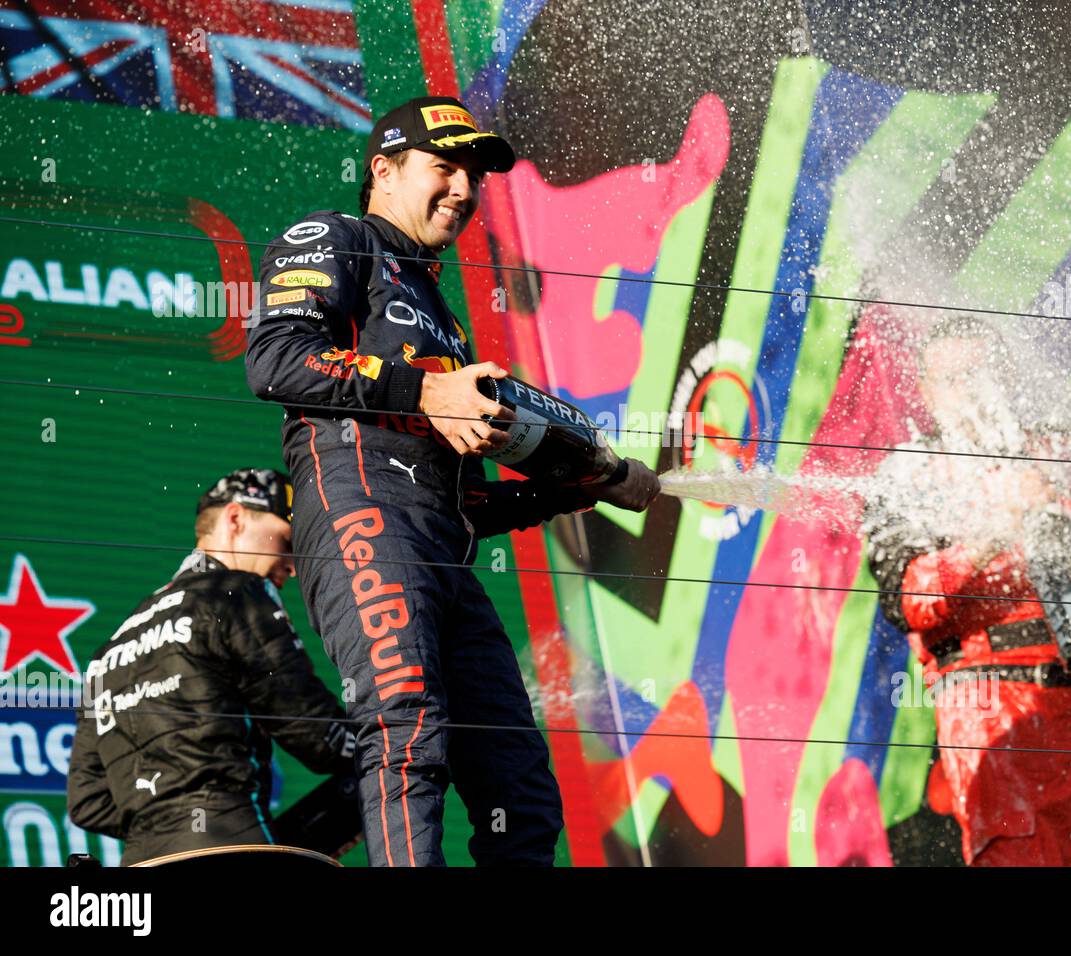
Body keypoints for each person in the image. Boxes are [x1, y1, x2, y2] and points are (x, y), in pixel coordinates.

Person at [244, 95, 659, 866]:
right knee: (407, 731)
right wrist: (428, 390)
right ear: (383, 169)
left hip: (444, 555)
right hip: (361, 518)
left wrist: (578, 485)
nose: (465, 189)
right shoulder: (336, 237)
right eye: (446, 167)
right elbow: (274, 361)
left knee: (520, 789)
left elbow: (469, 503)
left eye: (474, 175)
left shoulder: (437, 306)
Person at [861, 315, 1071, 866]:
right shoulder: (909, 474)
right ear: (926, 391)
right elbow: (910, 600)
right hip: (996, 698)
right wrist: (996, 532)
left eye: (982, 371)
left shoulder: (1064, 450)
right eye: (955, 379)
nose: (972, 389)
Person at [67, 468, 356, 866]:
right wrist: (388, 741)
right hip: (233, 843)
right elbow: (317, 735)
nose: (292, 566)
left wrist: (164, 817)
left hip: (142, 865)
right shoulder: (236, 593)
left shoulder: (108, 650)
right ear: (235, 519)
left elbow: (87, 800)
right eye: (288, 542)